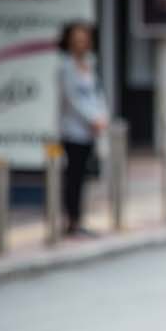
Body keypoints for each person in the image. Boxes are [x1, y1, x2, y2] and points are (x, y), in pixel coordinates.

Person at [57, 21, 109, 237]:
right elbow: (72, 99)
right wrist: (92, 119)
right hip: (73, 130)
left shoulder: (90, 64)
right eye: (76, 40)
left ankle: (79, 219)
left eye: (84, 39)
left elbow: (97, 92)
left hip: (90, 131)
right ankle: (71, 221)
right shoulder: (65, 67)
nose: (81, 43)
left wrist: (102, 116)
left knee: (83, 176)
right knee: (73, 176)